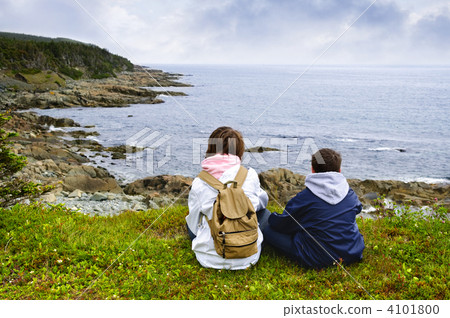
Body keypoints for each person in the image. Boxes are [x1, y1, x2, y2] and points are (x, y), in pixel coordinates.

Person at [262, 148, 365, 268]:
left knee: (269, 230)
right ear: (339, 170)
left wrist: (273, 217)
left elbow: (282, 225)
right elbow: (357, 208)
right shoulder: (350, 194)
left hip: (318, 258)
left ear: (312, 169)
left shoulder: (305, 198)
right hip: (352, 253)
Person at [186, 126, 269, 270]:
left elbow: (194, 224)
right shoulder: (250, 175)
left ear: (211, 148)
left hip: (209, 258)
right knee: (263, 212)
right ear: (239, 150)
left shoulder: (200, 181)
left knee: (190, 220)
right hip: (249, 256)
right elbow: (261, 202)